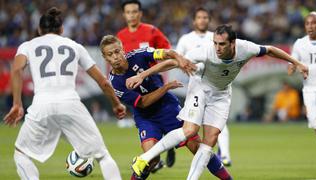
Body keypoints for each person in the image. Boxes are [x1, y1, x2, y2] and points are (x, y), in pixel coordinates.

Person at [128, 24, 308, 179]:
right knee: (189, 131)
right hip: (200, 88)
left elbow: (270, 49)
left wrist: (297, 62)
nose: (217, 48)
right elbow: (173, 62)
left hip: (221, 94)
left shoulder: (246, 48)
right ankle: (144, 158)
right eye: (215, 43)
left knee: (210, 140)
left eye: (222, 44)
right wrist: (143, 74)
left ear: (232, 43)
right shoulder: (205, 51)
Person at [3, 7, 126, 180]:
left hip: (41, 105)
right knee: (103, 156)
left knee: (21, 154)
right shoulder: (74, 46)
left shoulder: (28, 46)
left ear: (39, 30)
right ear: (61, 29)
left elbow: (16, 71)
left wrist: (17, 103)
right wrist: (116, 104)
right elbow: (104, 82)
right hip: (71, 103)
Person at [100, 35, 232, 180]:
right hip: (146, 118)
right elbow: (143, 102)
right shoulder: (115, 83)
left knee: (197, 147)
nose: (116, 57)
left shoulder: (138, 55)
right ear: (105, 58)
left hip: (167, 108)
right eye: (110, 54)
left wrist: (178, 58)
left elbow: (165, 53)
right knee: (150, 160)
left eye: (117, 51)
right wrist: (167, 86)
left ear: (123, 49)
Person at [117, 0, 174, 169]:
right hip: (133, 87)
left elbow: (168, 52)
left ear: (140, 13)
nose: (132, 15)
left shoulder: (152, 31)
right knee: (144, 120)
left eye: (135, 11)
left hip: (154, 83)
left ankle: (167, 143)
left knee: (164, 115)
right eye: (128, 12)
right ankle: (159, 150)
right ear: (124, 15)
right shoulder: (120, 37)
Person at [176, 7, 232, 166]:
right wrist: (186, 67)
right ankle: (174, 146)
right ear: (194, 20)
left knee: (218, 122)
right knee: (190, 125)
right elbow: (179, 58)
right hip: (195, 86)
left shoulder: (215, 38)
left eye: (206, 17)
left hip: (214, 85)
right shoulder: (185, 39)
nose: (203, 20)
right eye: (199, 17)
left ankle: (225, 156)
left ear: (209, 20)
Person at [288, 11, 316, 137]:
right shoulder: (300, 43)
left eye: (314, 23)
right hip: (309, 89)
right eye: (307, 24)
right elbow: (292, 63)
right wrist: (293, 67)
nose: (310, 26)